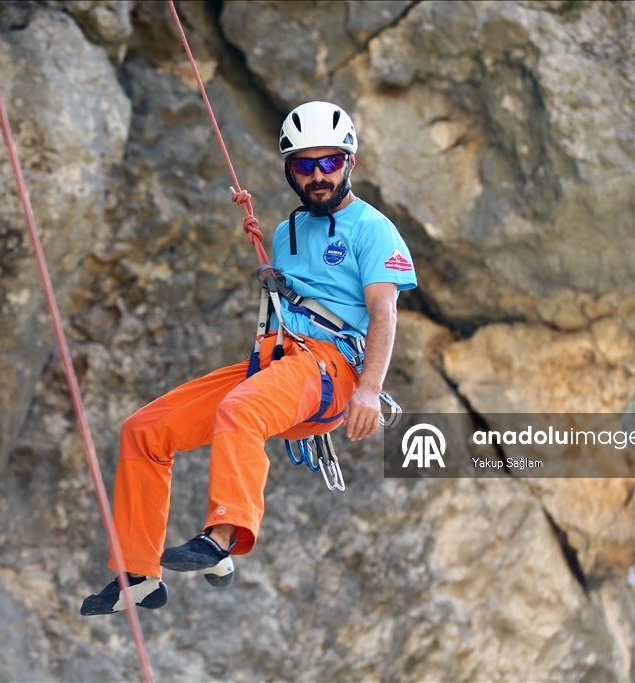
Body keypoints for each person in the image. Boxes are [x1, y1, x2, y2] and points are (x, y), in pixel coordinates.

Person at [81, 101, 416, 615]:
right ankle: (138, 574)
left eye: (330, 163)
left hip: (334, 368)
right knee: (144, 431)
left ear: (351, 163)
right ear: (290, 171)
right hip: (276, 361)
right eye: (305, 165)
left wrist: (369, 389)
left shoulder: (373, 229)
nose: (318, 175)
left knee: (241, 411)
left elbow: (383, 313)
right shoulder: (285, 233)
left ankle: (223, 537)